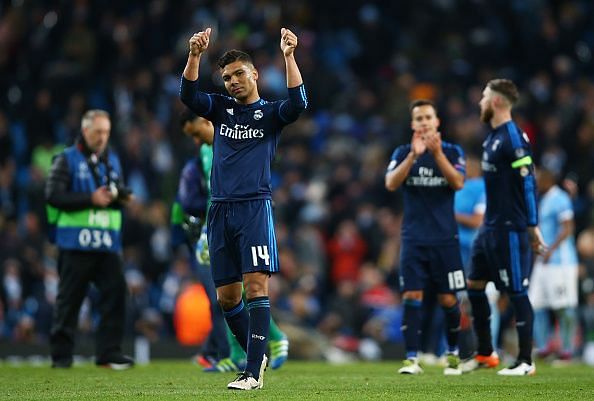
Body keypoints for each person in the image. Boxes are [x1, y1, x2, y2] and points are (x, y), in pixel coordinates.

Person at [180, 27, 307, 390]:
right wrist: (194, 56)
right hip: (218, 210)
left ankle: (252, 371)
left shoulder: (268, 114)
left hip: (254, 208)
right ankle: (259, 352)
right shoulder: (221, 110)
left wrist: (288, 56)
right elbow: (188, 94)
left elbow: (298, 104)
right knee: (227, 298)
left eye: (238, 74)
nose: (233, 81)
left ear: (254, 74)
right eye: (226, 77)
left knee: (255, 288)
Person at [175, 111, 290, 373]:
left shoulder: (231, 141)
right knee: (228, 293)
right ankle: (239, 352)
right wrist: (208, 228)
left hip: (248, 219)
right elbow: (214, 194)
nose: (196, 140)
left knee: (250, 289)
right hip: (219, 223)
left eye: (196, 133)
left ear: (206, 121)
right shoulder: (206, 151)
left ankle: (265, 342)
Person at [463, 79, 547, 376]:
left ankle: (525, 360)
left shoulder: (513, 138)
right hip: (489, 227)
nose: (480, 102)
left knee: (515, 291)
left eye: (484, 97)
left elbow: (528, 183)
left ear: (497, 102)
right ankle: (486, 353)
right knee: (473, 285)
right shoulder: (493, 138)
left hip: (510, 228)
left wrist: (532, 226)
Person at [45, 109, 134, 369]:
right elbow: (53, 196)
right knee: (69, 301)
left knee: (116, 294)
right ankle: (61, 357)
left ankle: (109, 353)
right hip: (76, 243)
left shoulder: (111, 160)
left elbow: (116, 191)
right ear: (85, 131)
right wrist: (90, 199)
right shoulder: (66, 159)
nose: (102, 137)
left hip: (107, 243)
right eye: (98, 132)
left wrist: (122, 197)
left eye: (106, 132)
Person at [385, 99, 466, 375]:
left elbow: (457, 183)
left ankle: (453, 354)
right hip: (414, 239)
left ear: (437, 121)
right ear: (412, 124)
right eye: (418, 118)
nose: (423, 122)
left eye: (428, 117)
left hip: (445, 239)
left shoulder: (453, 151)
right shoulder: (403, 151)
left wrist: (437, 153)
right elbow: (391, 183)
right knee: (412, 294)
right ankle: (411, 358)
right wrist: (413, 157)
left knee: (448, 299)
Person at [529, 166, 579, 361]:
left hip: (561, 262)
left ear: (548, 179)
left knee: (564, 306)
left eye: (539, 179)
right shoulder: (544, 199)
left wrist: (552, 250)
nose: (536, 182)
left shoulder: (560, 198)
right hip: (543, 261)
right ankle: (543, 347)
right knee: (536, 304)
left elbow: (568, 228)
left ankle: (567, 349)